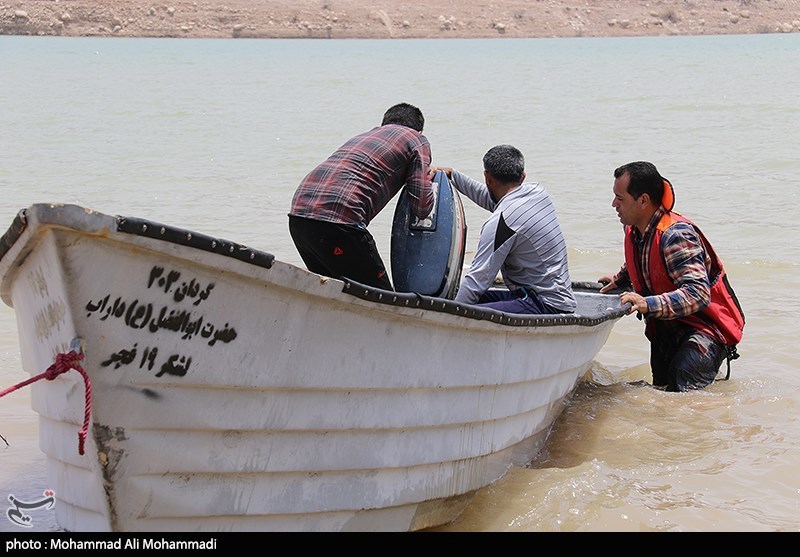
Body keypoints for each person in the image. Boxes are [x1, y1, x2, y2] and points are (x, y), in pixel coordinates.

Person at [599, 161, 745, 392]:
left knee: (681, 387)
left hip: (703, 331)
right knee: (662, 396)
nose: (614, 204)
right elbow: (644, 259)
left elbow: (698, 295)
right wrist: (621, 278)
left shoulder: (676, 235)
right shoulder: (636, 228)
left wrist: (646, 303)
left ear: (644, 200)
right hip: (666, 326)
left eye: (620, 198)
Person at [288, 102, 435, 290]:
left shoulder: (365, 135)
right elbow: (422, 207)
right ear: (419, 129)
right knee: (381, 301)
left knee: (334, 293)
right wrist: (427, 178)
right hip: (339, 222)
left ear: (384, 123)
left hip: (299, 217)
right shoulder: (417, 140)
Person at [433, 144, 576, 315]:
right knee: (454, 299)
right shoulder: (538, 193)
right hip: (546, 295)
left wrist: (446, 317)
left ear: (488, 178)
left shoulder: (501, 222)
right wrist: (453, 175)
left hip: (545, 304)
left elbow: (478, 281)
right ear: (522, 176)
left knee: (464, 310)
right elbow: (494, 200)